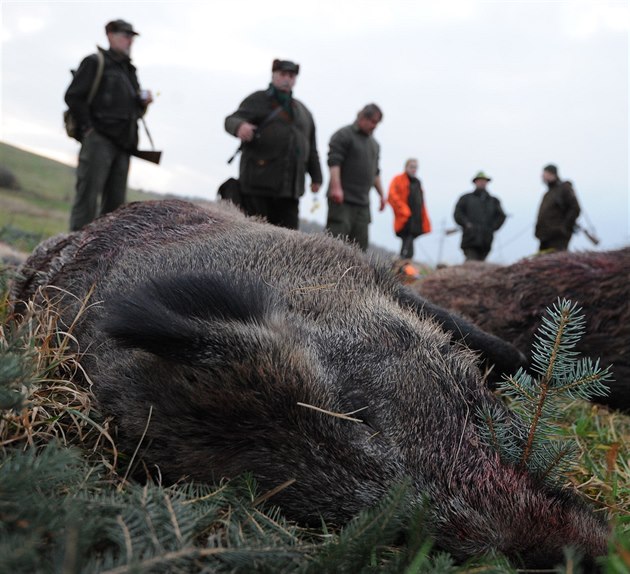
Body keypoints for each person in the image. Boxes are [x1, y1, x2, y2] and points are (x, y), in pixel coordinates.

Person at [64, 19, 153, 231]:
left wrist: (143, 103)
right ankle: (75, 254)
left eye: (132, 37)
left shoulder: (130, 71)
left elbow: (135, 112)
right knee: (87, 200)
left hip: (124, 145)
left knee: (115, 209)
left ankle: (103, 259)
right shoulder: (95, 61)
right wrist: (89, 129)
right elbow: (73, 97)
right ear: (110, 35)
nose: (129, 40)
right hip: (99, 140)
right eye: (125, 35)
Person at [224, 59, 322, 229]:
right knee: (253, 237)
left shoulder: (304, 112)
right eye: (282, 74)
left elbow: (311, 148)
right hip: (257, 186)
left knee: (288, 242)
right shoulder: (258, 100)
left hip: (290, 191)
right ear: (274, 75)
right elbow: (231, 120)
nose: (286, 79)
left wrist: (317, 177)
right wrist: (240, 126)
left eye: (291, 76)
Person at [325, 104, 386, 251]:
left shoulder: (374, 145)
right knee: (335, 244)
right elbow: (334, 161)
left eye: (376, 123)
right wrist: (336, 187)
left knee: (359, 248)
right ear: (362, 117)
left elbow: (375, 172)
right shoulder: (343, 135)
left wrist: (382, 195)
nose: (374, 126)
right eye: (372, 121)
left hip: (362, 203)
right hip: (342, 201)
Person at [453, 171, 506, 261]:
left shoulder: (493, 201)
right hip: (470, 239)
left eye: (484, 181)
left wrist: (492, 228)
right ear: (475, 182)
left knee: (482, 263)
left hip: (486, 240)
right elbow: (458, 213)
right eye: (479, 180)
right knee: (471, 262)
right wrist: (467, 224)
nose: (482, 182)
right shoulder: (466, 198)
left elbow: (501, 216)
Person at [387, 158, 432, 260]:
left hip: (416, 219)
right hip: (405, 218)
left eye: (415, 167)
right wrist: (404, 210)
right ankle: (403, 265)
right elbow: (392, 196)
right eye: (411, 167)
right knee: (406, 242)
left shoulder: (417, 183)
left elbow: (421, 203)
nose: (413, 169)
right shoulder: (398, 180)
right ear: (406, 167)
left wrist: (424, 219)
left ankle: (405, 265)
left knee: (410, 242)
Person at [535, 164, 581, 252]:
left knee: (555, 263)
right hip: (545, 237)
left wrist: (563, 228)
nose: (542, 176)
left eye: (544, 173)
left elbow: (575, 208)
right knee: (541, 263)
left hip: (558, 238)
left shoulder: (564, 188)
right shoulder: (548, 193)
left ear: (552, 174)